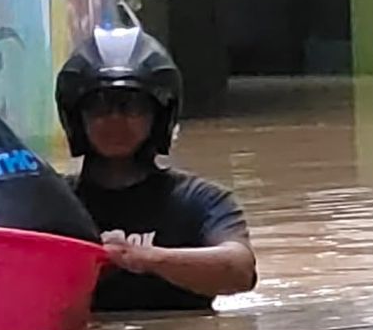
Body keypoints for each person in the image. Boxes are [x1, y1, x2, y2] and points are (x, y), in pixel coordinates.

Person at [55, 24, 257, 312]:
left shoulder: (201, 200)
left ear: (159, 116)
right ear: (77, 118)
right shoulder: (52, 201)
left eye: (132, 107)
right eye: (99, 107)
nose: (115, 121)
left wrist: (142, 258)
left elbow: (240, 270)